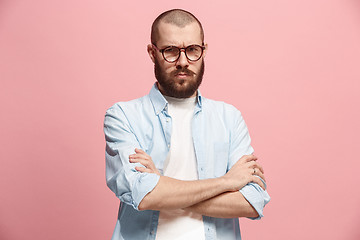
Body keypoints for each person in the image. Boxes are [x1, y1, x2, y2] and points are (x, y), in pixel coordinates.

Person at [104, 9, 270, 240]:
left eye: (193, 50)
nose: (183, 62)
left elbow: (252, 202)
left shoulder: (229, 118)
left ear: (204, 50)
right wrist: (226, 182)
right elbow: (144, 196)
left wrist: (163, 188)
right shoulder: (123, 116)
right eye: (170, 51)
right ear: (152, 53)